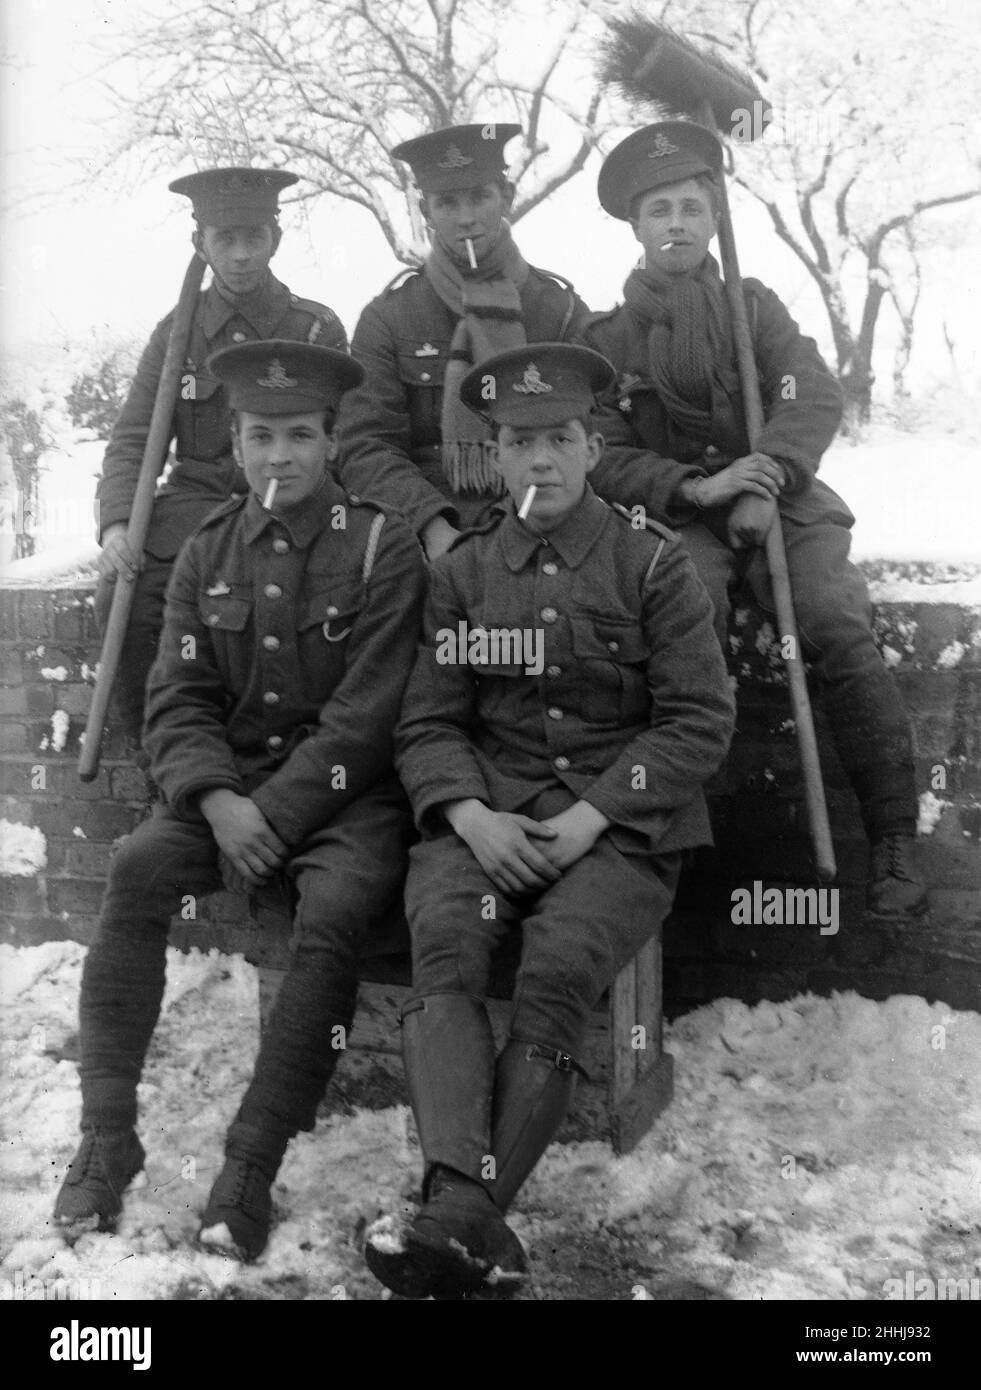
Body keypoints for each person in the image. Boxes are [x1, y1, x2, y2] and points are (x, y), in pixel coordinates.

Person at [363, 343, 735, 1299]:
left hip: (624, 828)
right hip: (487, 813)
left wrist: (592, 818)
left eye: (560, 440)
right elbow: (430, 719)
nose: (542, 462)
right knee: (444, 937)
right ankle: (470, 1219)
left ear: (591, 445)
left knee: (561, 960)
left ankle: (454, 1212)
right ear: (494, 458)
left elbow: (698, 719)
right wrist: (469, 814)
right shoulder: (463, 573)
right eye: (521, 443)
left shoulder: (652, 564)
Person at [54, 342, 426, 1262]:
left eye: (301, 435)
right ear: (235, 438)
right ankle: (107, 1135)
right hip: (227, 794)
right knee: (137, 870)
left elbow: (369, 714)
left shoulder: (384, 543)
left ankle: (250, 1164)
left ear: (332, 441)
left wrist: (278, 813)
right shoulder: (208, 547)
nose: (280, 457)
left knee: (334, 909)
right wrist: (218, 800)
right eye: (261, 435)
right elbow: (174, 699)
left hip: (348, 803)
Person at [580, 122, 926, 917]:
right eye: (660, 209)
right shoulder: (604, 338)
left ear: (714, 221)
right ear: (634, 226)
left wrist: (764, 476)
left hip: (783, 505)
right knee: (677, 620)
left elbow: (812, 392)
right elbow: (603, 451)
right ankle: (658, 838)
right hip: (677, 515)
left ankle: (894, 839)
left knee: (832, 622)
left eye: (693, 208)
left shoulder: (753, 308)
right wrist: (697, 489)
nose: (677, 224)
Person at [95, 167, 347, 750]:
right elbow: (134, 437)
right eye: (223, 240)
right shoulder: (176, 336)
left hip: (294, 500)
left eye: (253, 238)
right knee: (125, 601)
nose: (239, 255)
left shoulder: (314, 327)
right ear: (199, 243)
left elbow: (346, 435)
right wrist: (114, 527)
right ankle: (161, 769)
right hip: (196, 507)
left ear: (275, 239)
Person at [335, 123, 591, 560]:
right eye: (447, 203)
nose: (466, 217)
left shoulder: (559, 310)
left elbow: (592, 433)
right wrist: (432, 526)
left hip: (549, 516)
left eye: (480, 197)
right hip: (428, 520)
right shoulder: (389, 317)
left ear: (505, 199)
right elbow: (366, 446)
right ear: (425, 211)